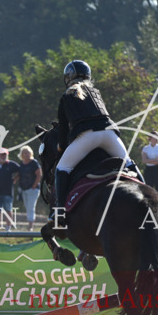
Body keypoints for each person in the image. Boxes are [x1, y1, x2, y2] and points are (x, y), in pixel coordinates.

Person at [53, 60, 138, 212]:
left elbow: (64, 130)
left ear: (68, 77)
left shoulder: (66, 96)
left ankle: (59, 211)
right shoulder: (96, 92)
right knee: (130, 164)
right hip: (110, 134)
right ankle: (150, 193)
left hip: (88, 136)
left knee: (62, 168)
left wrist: (61, 147)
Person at [18, 146, 43, 230]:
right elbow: (19, 174)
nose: (26, 154)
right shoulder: (22, 164)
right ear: (22, 154)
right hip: (24, 189)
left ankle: (31, 226)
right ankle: (30, 223)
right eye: (25, 153)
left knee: (31, 207)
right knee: (27, 206)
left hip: (33, 189)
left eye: (28, 152)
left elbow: (39, 175)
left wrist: (34, 186)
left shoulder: (34, 163)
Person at [142, 132, 158, 196]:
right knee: (148, 188)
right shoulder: (146, 148)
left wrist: (149, 160)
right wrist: (155, 160)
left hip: (157, 169)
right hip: (148, 170)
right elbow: (144, 160)